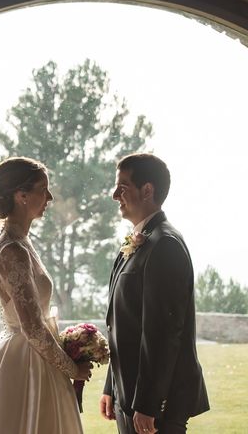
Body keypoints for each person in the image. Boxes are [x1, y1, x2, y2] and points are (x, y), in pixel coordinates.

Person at [0, 157, 91, 433]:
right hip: (25, 364)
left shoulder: (22, 243)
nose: (49, 197)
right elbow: (33, 327)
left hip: (36, 356)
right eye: (43, 189)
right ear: (22, 196)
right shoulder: (12, 250)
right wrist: (73, 369)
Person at [99, 153, 209, 434]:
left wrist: (148, 404)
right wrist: (112, 385)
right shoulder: (140, 240)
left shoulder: (165, 244)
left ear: (147, 190)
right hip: (130, 396)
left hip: (155, 405)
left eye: (122, 186)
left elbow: (162, 332)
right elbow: (125, 324)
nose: (114, 195)